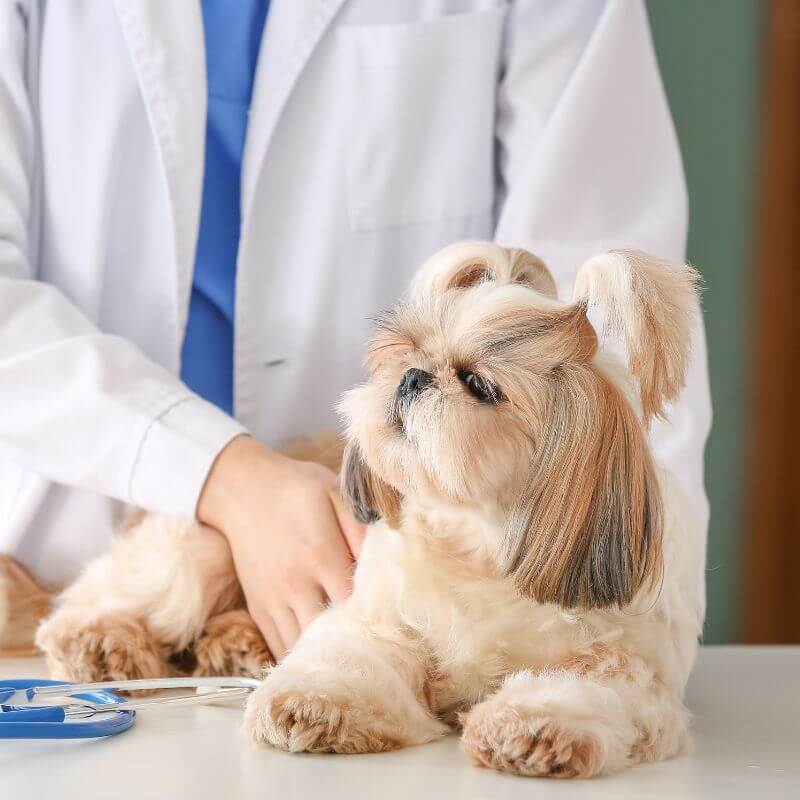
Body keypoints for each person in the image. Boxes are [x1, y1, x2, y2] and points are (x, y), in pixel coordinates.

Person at [0, 1, 711, 661]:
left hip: (405, 605)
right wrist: (224, 476)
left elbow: (607, 330)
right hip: (55, 583)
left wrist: (628, 638)